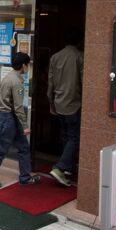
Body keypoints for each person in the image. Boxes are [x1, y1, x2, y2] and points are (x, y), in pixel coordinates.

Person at [0, 52, 41, 189]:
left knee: (23, 147)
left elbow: (2, 99)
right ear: (23, 65)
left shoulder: (8, 77)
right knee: (0, 151)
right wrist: (25, 125)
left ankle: (25, 177)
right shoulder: (17, 81)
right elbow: (18, 107)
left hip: (6, 117)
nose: (28, 68)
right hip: (9, 119)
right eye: (27, 65)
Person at [47, 28, 84, 186]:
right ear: (79, 41)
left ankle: (66, 168)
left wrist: (51, 103)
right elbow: (84, 82)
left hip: (58, 102)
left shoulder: (55, 57)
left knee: (65, 136)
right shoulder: (80, 56)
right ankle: (61, 167)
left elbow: (50, 83)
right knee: (74, 138)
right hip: (74, 104)